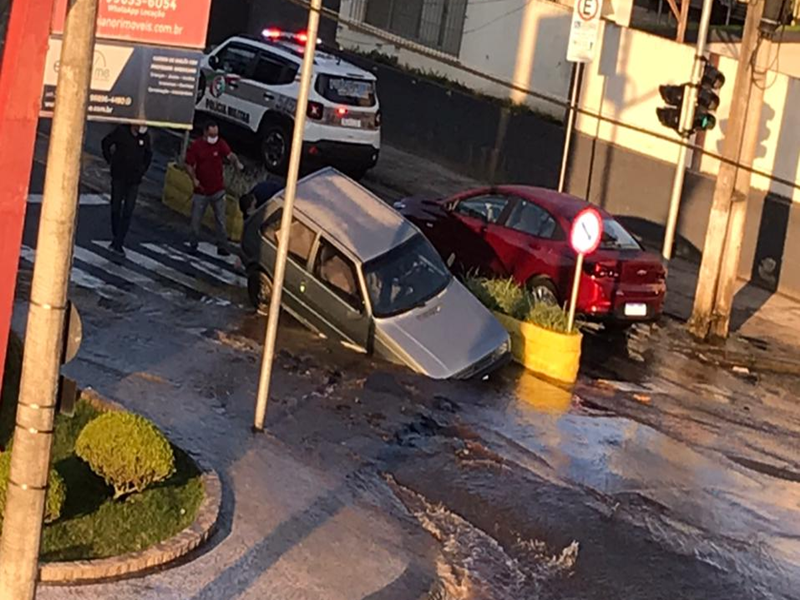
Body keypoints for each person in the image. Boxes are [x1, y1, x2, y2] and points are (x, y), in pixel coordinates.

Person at [185, 121, 244, 256]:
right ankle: (193, 244)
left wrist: (236, 163)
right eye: (211, 134)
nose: (214, 137)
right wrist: (194, 179)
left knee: (221, 220)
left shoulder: (220, 144)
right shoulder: (197, 146)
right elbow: (188, 164)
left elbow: (230, 155)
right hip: (201, 191)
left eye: (216, 134)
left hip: (217, 190)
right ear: (205, 132)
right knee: (195, 219)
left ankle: (222, 246)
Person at [101, 124, 152, 256]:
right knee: (116, 208)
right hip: (119, 176)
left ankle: (119, 241)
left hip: (134, 180)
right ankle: (116, 234)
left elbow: (148, 155)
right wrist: (110, 160)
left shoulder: (145, 138)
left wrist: (142, 170)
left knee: (128, 210)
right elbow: (106, 143)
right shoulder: (121, 131)